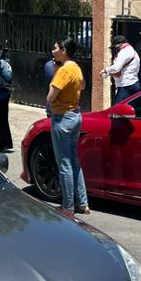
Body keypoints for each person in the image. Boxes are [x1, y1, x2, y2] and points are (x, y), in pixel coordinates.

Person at [47, 39, 88, 214]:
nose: (53, 51)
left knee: (64, 163)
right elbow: (83, 85)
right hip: (75, 115)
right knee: (74, 160)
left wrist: (56, 73)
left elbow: (50, 97)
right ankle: (83, 203)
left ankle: (68, 206)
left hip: (62, 117)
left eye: (55, 48)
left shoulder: (63, 70)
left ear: (64, 50)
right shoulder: (76, 67)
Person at [103, 35, 141, 105]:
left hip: (126, 85)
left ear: (119, 44)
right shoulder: (131, 50)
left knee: (118, 109)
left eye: (115, 47)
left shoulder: (124, 52)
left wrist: (106, 70)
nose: (115, 49)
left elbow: (116, 68)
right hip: (132, 83)